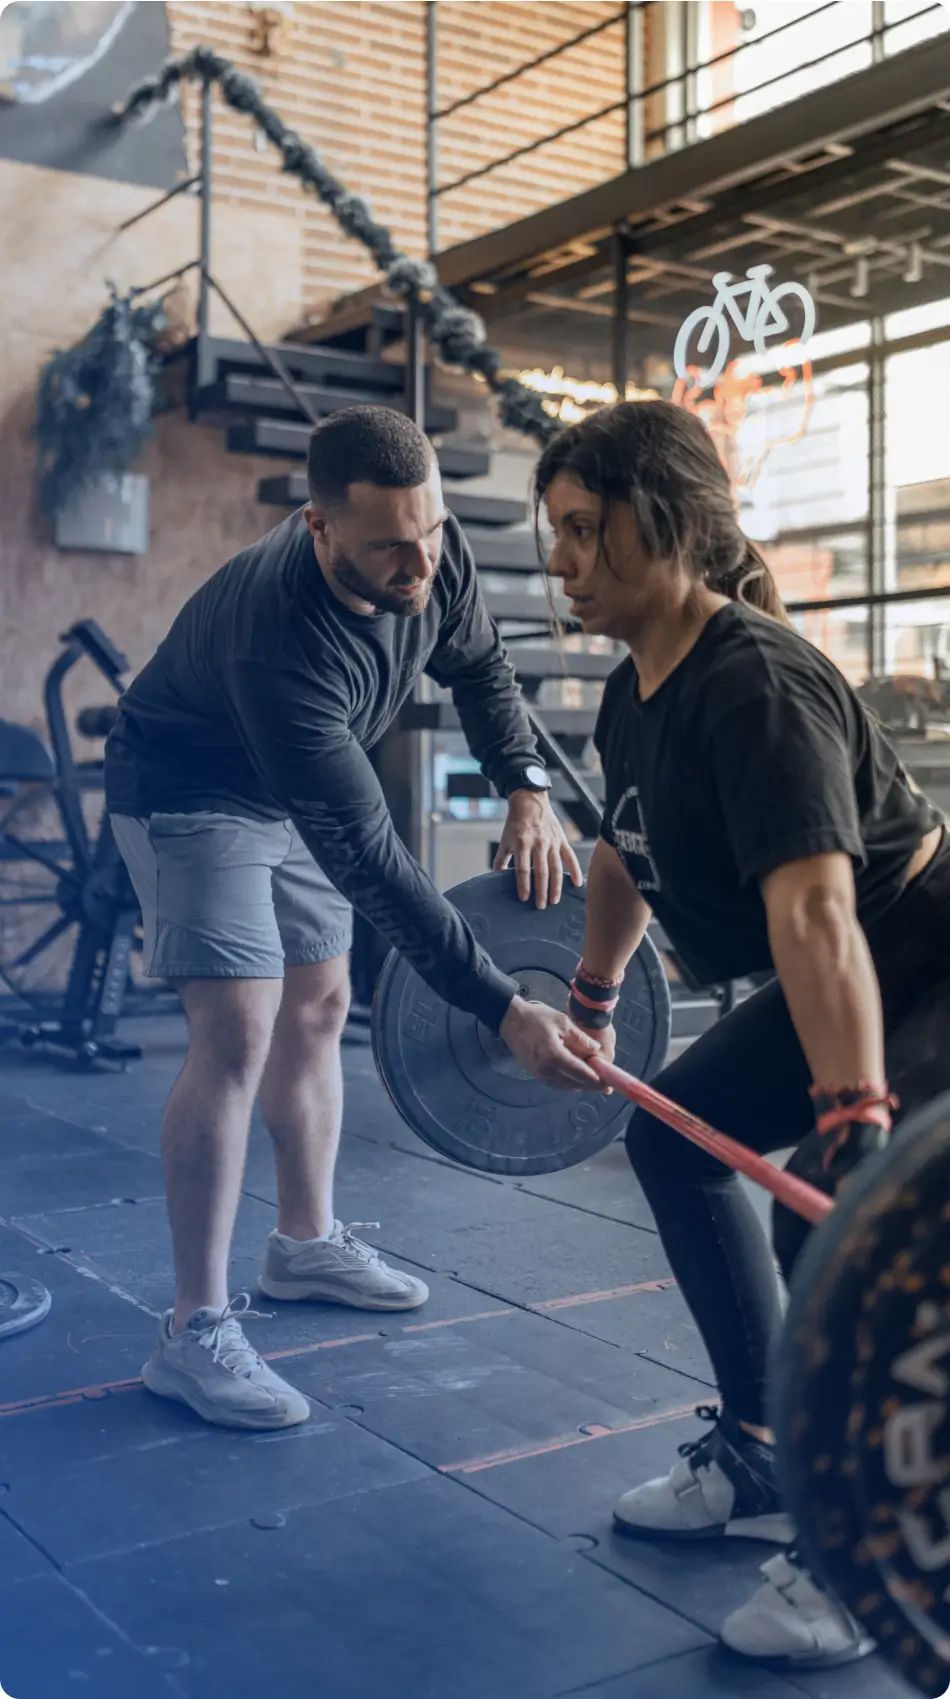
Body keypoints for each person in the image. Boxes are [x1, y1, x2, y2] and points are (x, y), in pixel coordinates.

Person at [535, 398, 950, 1669]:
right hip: (849, 957)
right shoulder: (633, 690)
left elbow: (821, 914)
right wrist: (594, 996)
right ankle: (767, 1450)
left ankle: (857, 1544)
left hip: (922, 952)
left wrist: (851, 1116)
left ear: (662, 523)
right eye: (551, 531)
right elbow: (624, 844)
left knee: (831, 1218)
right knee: (674, 1143)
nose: (561, 560)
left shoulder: (751, 681)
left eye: (584, 530)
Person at [105, 404, 600, 1432]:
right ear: (318, 528)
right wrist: (500, 1004)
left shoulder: (430, 548)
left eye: (429, 535)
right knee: (238, 1027)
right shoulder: (278, 640)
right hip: (192, 786)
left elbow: (478, 666)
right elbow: (372, 859)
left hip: (290, 790)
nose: (418, 565)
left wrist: (521, 783)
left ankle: (303, 1242)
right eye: (389, 547)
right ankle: (192, 1330)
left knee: (319, 1002)